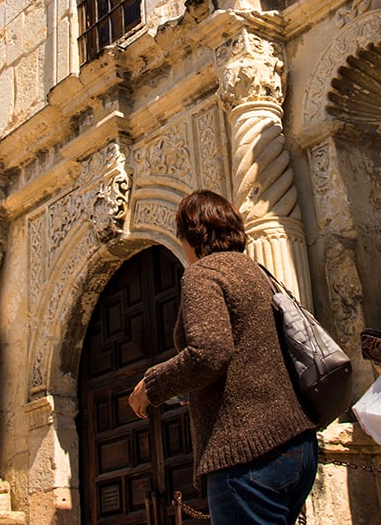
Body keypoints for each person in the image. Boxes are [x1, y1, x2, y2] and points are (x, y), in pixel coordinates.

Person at [128, 190, 317, 524]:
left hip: (247, 452)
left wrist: (151, 386)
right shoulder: (256, 271)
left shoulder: (203, 274)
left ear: (190, 234)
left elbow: (210, 353)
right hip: (295, 445)